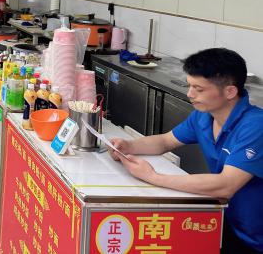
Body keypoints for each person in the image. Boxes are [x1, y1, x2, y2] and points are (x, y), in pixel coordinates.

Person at [109, 48, 263, 253]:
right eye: (189, 86)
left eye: (198, 89)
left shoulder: (255, 126)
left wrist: (153, 176)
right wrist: (129, 146)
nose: (190, 94)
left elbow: (226, 185)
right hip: (224, 220)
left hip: (255, 237)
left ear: (230, 92)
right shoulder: (204, 116)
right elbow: (165, 141)